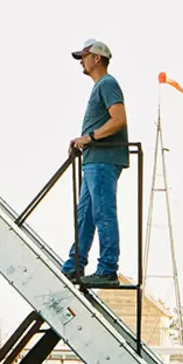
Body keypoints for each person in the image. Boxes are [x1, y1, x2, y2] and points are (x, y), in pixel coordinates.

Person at [64, 39, 130, 286]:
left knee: (102, 213)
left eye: (84, 56)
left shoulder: (107, 84)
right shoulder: (100, 86)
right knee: (86, 216)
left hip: (103, 160)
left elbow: (118, 119)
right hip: (93, 161)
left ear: (97, 58)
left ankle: (107, 268)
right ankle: (74, 265)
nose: (81, 61)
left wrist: (89, 137)